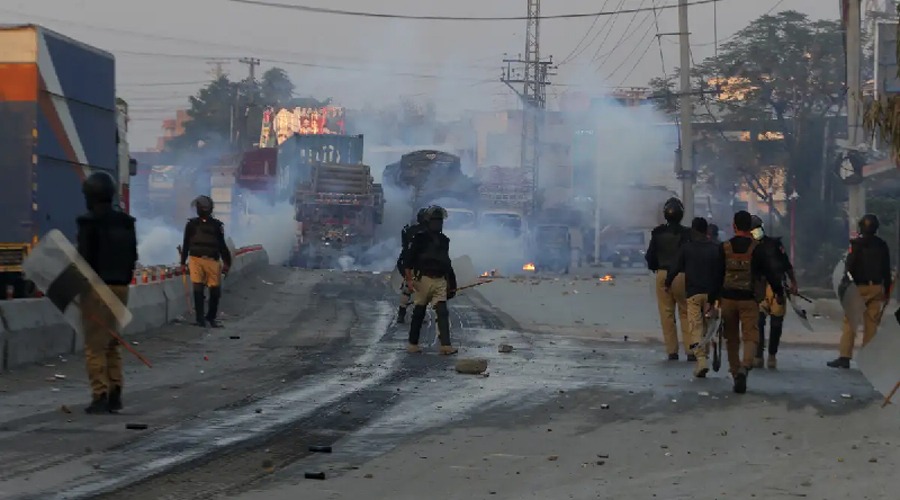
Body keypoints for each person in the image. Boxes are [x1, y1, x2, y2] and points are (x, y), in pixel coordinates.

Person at [76, 171, 138, 414]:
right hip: (121, 288)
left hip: (97, 289)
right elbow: (133, 256)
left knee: (94, 345)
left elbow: (84, 260)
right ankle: (116, 393)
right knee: (113, 342)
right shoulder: (126, 222)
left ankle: (99, 395)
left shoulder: (88, 222)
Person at [713, 210, 784, 394]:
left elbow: (716, 275)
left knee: (731, 338)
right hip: (749, 300)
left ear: (734, 226)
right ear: (750, 228)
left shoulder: (724, 247)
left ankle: (736, 372)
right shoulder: (757, 249)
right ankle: (745, 367)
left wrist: (712, 299)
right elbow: (770, 272)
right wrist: (778, 291)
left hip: (728, 299)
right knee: (751, 336)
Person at [828, 214, 891, 369]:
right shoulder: (882, 245)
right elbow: (886, 271)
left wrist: (845, 287)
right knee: (871, 324)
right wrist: (887, 291)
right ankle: (868, 360)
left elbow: (849, 268)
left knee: (850, 322)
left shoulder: (855, 245)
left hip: (857, 288)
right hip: (876, 288)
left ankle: (845, 357)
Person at [665, 217, 722, 378]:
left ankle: (701, 360)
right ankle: (707, 354)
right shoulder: (716, 248)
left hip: (693, 294)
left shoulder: (686, 248)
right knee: (709, 328)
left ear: (693, 230)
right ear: (706, 231)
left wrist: (667, 283)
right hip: (712, 295)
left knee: (695, 327)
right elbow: (720, 273)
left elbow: (675, 267)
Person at [403, 205, 458, 355]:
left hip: (440, 279)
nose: (437, 223)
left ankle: (445, 346)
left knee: (442, 311)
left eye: (439, 221)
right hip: (423, 279)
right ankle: (413, 344)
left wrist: (451, 284)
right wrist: (409, 280)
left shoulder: (444, 240)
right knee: (419, 311)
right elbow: (408, 261)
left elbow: (447, 263)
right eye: (434, 220)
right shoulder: (419, 239)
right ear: (428, 221)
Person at [645, 197, 692, 361]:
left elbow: (650, 256)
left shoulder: (657, 233)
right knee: (686, 312)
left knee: (667, 314)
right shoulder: (687, 233)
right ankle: (691, 349)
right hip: (682, 275)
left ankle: (672, 351)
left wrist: (654, 268)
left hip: (663, 273)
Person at [750, 215, 798, 369]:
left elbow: (786, 265)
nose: (756, 232)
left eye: (758, 228)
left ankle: (772, 355)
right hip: (758, 288)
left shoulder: (774, 245)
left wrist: (794, 283)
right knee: (758, 323)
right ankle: (758, 356)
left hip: (777, 287)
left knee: (776, 323)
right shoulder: (748, 247)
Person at [180, 195, 232, 328]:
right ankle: (203, 319)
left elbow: (221, 245)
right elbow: (186, 244)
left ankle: (207, 318)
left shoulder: (213, 226)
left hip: (207, 261)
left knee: (209, 291)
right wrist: (227, 262)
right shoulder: (193, 225)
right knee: (202, 290)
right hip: (198, 260)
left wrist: (227, 262)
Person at [396, 208, 428, 323]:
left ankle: (401, 315)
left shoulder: (409, 230)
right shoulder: (429, 233)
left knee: (407, 290)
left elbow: (404, 247)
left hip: (407, 264)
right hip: (421, 266)